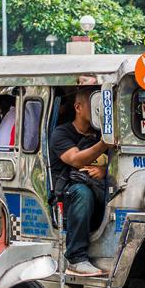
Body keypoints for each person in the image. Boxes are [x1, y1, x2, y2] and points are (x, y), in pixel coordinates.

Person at [50, 88, 112, 276]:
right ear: (78, 107)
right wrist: (104, 143)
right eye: (94, 105)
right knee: (81, 193)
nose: (99, 109)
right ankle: (76, 258)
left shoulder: (98, 133)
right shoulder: (61, 133)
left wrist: (104, 171)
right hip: (69, 194)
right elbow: (76, 159)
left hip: (100, 189)